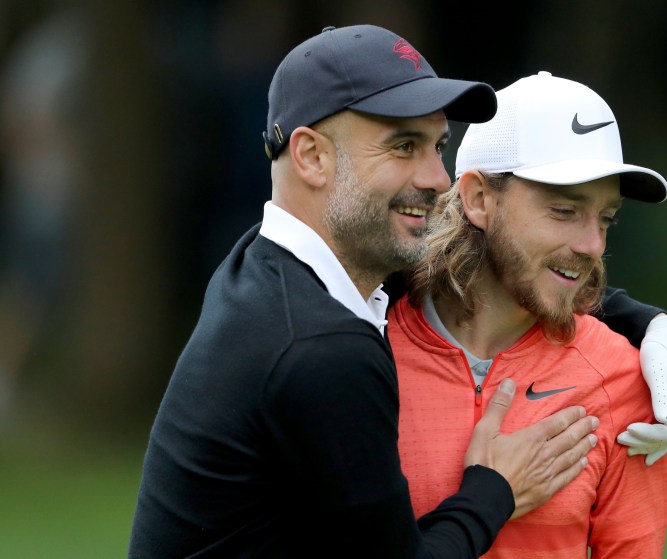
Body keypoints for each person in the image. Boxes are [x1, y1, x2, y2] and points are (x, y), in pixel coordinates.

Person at [128, 25, 602, 558]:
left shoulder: (264, 264)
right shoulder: (323, 347)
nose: (438, 179)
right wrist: (495, 489)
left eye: (438, 146)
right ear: (311, 157)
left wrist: (647, 325)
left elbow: (492, 273)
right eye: (403, 146)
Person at [391, 71, 667, 557]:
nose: (593, 245)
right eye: (565, 211)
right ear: (479, 198)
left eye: (606, 218)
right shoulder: (364, 352)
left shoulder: (621, 377)